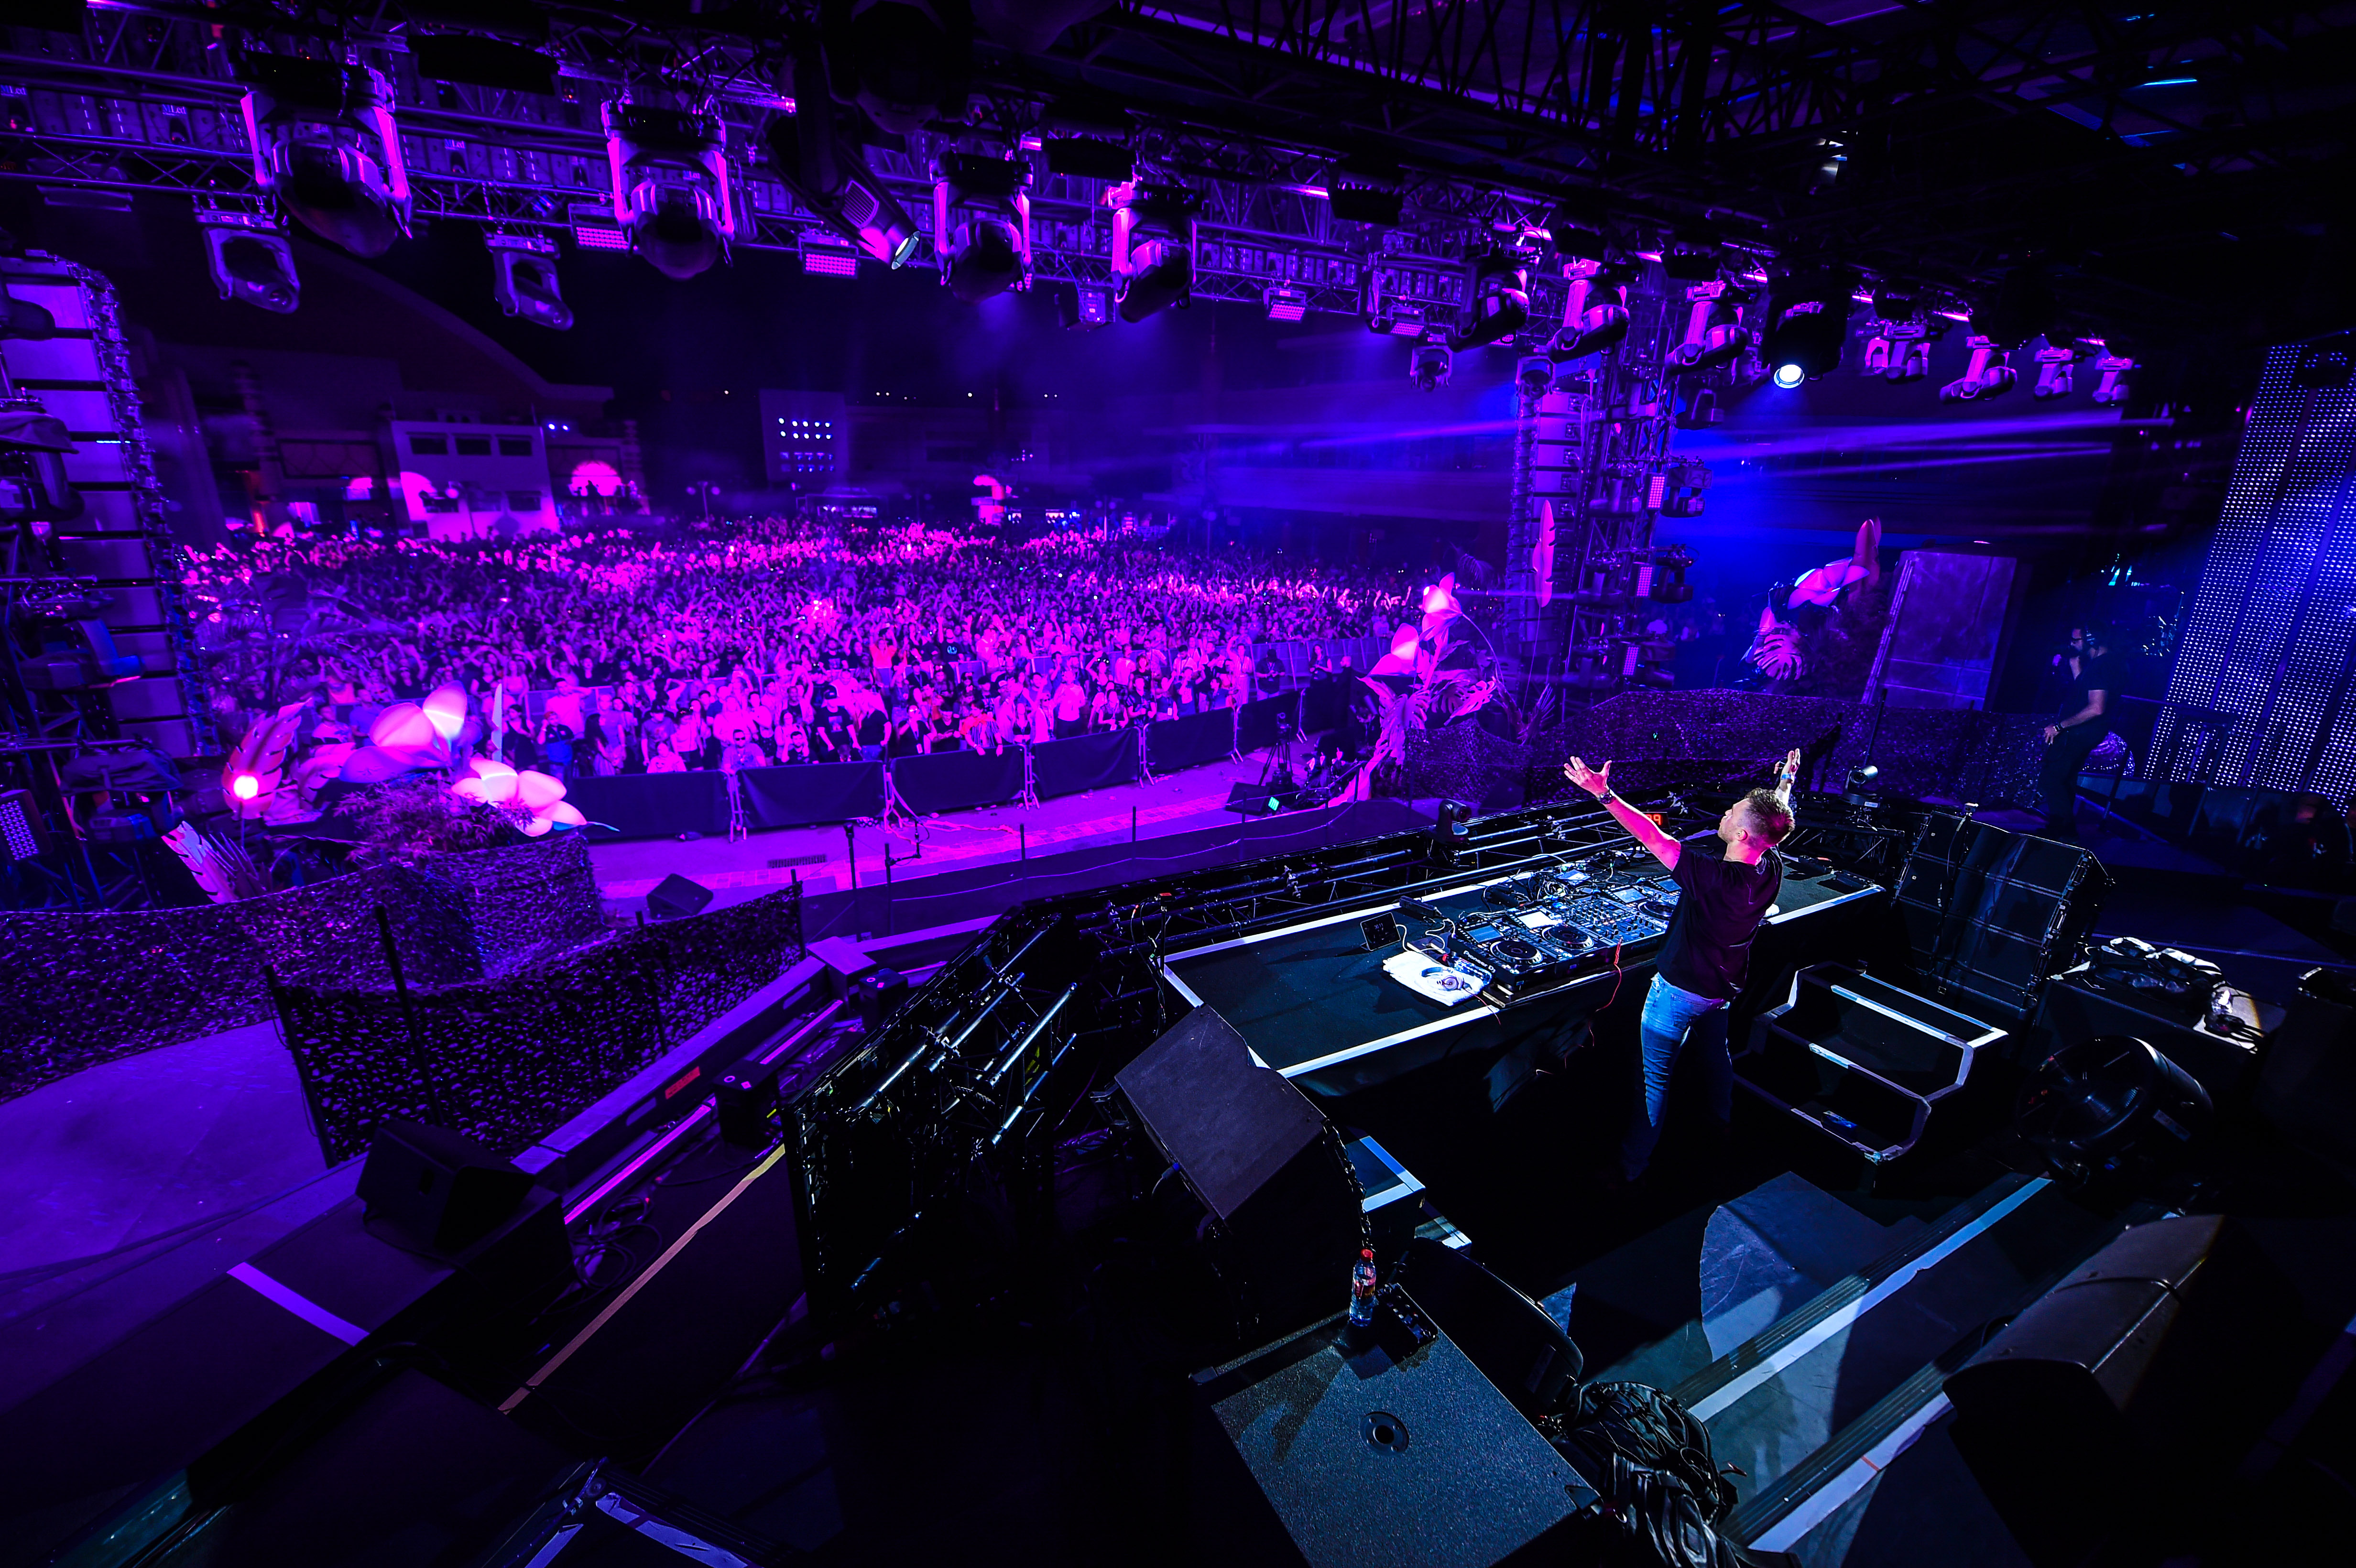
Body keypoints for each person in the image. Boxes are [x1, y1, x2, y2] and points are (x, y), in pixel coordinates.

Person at [1562, 748, 1800, 1186]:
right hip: (1722, 991)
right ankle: (1720, 1124)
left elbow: (1654, 838)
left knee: (1652, 1083)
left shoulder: (1714, 878)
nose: (1726, 813)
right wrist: (1785, 782)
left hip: (1677, 994)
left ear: (1742, 835)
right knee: (1716, 1057)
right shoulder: (1770, 864)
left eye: (1733, 813)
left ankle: (1631, 1168)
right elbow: (1774, 821)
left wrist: (1605, 794)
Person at [2039, 626, 2114, 840]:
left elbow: (2096, 707)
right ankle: (2060, 830)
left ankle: (2065, 830)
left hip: (2080, 731)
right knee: (2066, 778)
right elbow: (2085, 692)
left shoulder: (2102, 666)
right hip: (2087, 731)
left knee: (2052, 777)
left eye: (2075, 640)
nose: (2071, 644)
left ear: (2091, 640)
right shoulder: (2105, 664)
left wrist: (2060, 727)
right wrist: (2075, 667)